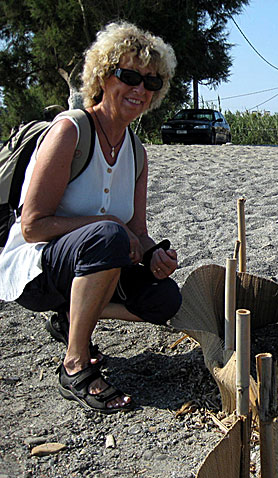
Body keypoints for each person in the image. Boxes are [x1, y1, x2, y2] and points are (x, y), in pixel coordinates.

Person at [0, 22, 180, 413]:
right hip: (36, 270)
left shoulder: (137, 152)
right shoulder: (71, 131)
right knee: (107, 238)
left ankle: (70, 315)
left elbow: (137, 233)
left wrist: (155, 256)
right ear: (103, 76)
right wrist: (110, 231)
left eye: (151, 83)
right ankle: (75, 364)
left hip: (96, 262)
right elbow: (32, 226)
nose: (139, 90)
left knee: (165, 298)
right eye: (129, 76)